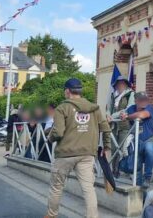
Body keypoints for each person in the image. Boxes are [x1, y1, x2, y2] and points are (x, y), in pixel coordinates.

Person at [46, 78, 112, 218]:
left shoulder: (62, 108)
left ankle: (52, 215)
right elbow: (106, 129)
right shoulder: (94, 108)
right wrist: (107, 146)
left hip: (65, 154)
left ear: (67, 91)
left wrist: (49, 139)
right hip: (87, 154)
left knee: (57, 188)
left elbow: (58, 132)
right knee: (88, 189)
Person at [125, 91, 153, 186]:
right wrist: (118, 116)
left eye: (145, 100)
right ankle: (141, 195)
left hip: (148, 139)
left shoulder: (149, 108)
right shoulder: (131, 108)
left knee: (149, 150)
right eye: (141, 100)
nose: (144, 102)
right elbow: (122, 114)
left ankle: (147, 177)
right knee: (137, 171)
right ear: (136, 101)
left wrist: (128, 117)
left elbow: (143, 115)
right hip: (135, 141)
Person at [109, 75, 135, 177]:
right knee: (113, 148)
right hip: (113, 126)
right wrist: (108, 115)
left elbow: (128, 108)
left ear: (125, 84)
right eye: (118, 84)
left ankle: (123, 171)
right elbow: (109, 107)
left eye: (122, 84)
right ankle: (113, 171)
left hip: (125, 125)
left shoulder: (130, 94)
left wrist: (112, 116)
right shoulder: (113, 95)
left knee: (122, 148)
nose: (120, 86)